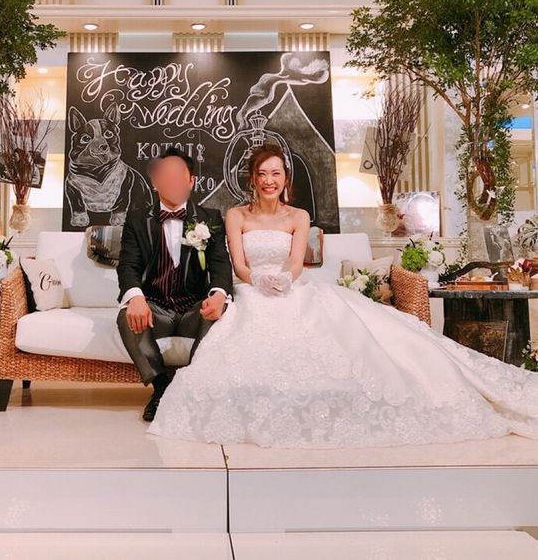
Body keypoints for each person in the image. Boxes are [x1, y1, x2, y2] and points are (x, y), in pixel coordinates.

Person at [148, 143, 538, 448]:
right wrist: (257, 280)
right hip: (250, 291)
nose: (269, 180)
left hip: (290, 287)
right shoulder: (236, 215)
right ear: (252, 178)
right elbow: (238, 264)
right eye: (263, 174)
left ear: (285, 178)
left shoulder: (298, 216)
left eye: (276, 173)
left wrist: (282, 279)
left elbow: (296, 264)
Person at [116, 148, 233, 422]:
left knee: (224, 311)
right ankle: (161, 388)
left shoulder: (210, 218)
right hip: (156, 309)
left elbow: (220, 264)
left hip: (194, 308)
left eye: (179, 176)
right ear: (155, 181)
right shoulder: (136, 220)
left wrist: (218, 294)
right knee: (126, 316)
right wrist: (135, 297)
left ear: (191, 181)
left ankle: (192, 385)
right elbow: (128, 265)